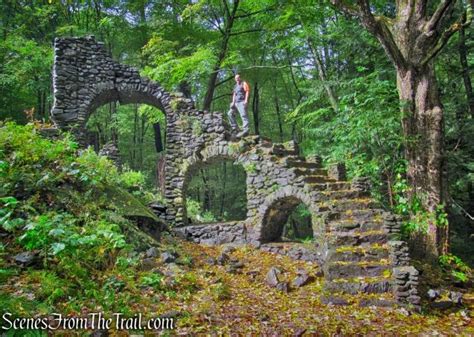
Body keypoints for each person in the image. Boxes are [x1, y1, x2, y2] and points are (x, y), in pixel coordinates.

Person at [227, 73, 250, 137]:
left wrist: (246, 100)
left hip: (242, 102)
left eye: (238, 78)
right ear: (235, 79)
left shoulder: (244, 83)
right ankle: (235, 128)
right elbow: (234, 94)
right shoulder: (235, 86)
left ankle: (246, 130)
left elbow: (247, 91)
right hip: (236, 103)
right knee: (230, 113)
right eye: (236, 78)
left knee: (243, 115)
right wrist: (233, 102)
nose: (237, 79)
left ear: (240, 78)